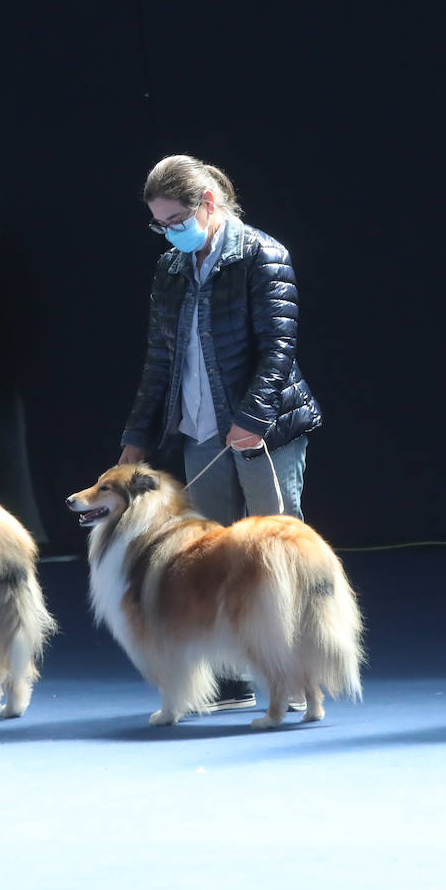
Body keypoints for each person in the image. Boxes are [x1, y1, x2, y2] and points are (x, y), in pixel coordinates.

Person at [120, 154, 322, 711]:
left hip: (264, 433)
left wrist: (251, 420)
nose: (168, 233)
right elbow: (158, 361)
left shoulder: (264, 255)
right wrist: (136, 436)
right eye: (159, 224)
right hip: (199, 431)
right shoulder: (171, 268)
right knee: (208, 557)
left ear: (208, 205)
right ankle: (231, 679)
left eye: (174, 220)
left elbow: (278, 351)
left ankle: (302, 676)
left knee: (276, 554)